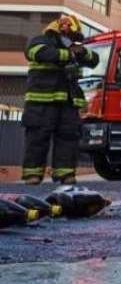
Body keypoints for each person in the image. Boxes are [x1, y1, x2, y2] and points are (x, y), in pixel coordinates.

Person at [21, 15, 98, 185]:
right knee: (37, 138)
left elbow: (94, 59)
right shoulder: (40, 41)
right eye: (70, 36)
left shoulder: (72, 46)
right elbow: (37, 53)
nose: (72, 40)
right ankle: (32, 175)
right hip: (41, 101)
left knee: (68, 137)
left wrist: (83, 52)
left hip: (67, 103)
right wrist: (69, 54)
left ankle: (65, 174)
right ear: (61, 30)